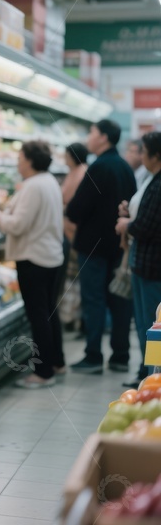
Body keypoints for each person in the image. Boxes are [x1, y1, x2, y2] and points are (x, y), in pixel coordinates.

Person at [0, 141, 64, 388]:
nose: (17, 161)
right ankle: (57, 362)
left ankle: (43, 372)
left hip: (33, 258)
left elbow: (16, 225)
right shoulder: (49, 181)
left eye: (20, 157)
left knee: (38, 316)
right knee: (49, 312)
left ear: (29, 160)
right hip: (51, 256)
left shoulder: (33, 186)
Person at [67, 120, 137, 374]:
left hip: (93, 248)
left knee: (94, 299)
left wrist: (72, 213)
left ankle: (93, 355)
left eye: (92, 132)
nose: (89, 137)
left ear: (104, 137)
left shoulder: (98, 168)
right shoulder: (124, 168)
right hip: (118, 246)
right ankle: (120, 356)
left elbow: (77, 208)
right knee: (119, 301)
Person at [116, 131, 161, 387]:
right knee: (146, 322)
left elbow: (146, 226)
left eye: (143, 151)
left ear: (156, 155)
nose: (140, 156)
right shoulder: (151, 179)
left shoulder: (158, 183)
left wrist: (126, 224)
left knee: (150, 323)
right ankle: (147, 374)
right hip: (145, 263)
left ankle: (151, 377)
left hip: (152, 266)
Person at [59, 143, 88, 335]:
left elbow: (70, 203)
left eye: (66, 155)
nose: (64, 158)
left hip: (74, 233)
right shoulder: (76, 172)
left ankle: (73, 317)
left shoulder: (80, 173)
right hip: (70, 231)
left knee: (74, 278)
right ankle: (72, 316)